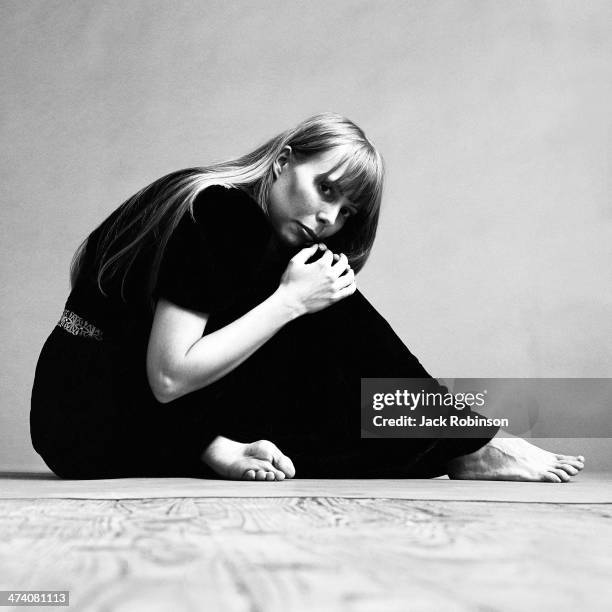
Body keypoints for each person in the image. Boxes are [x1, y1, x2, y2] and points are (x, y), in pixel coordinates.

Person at [30, 113, 584, 483]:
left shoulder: (238, 225)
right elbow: (168, 376)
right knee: (321, 301)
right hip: (97, 419)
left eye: (347, 212)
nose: (329, 219)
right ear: (282, 162)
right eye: (326, 189)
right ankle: (467, 441)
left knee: (341, 418)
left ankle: (456, 443)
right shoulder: (218, 212)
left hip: (120, 421)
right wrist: (291, 301)